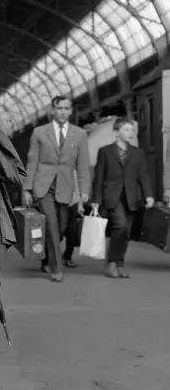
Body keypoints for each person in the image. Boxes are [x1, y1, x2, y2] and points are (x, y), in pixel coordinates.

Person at [23, 96, 91, 282]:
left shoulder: (80, 134)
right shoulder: (39, 132)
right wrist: (27, 188)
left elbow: (83, 165)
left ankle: (47, 257)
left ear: (71, 111)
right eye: (59, 108)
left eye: (66, 108)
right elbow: (32, 161)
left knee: (61, 227)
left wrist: (84, 189)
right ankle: (56, 268)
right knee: (52, 224)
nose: (63, 112)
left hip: (66, 185)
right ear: (52, 110)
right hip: (43, 185)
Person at [92, 118, 154, 278]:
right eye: (126, 130)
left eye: (132, 130)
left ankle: (120, 263)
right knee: (120, 225)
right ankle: (112, 262)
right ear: (116, 133)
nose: (130, 133)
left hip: (131, 197)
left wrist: (148, 195)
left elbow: (143, 175)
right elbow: (98, 177)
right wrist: (95, 200)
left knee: (126, 232)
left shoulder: (138, 153)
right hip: (111, 196)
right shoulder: (105, 151)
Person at [61, 171, 84, 268]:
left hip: (73, 203)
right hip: (61, 203)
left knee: (72, 233)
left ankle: (68, 257)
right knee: (60, 230)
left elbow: (78, 187)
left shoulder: (74, 170)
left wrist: (80, 205)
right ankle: (50, 257)